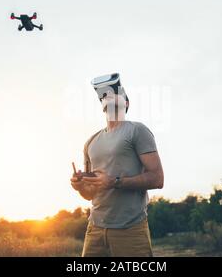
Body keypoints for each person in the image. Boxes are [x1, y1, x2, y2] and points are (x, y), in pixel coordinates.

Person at [70, 76, 164, 257]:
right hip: (95, 228)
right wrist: (79, 186)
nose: (109, 96)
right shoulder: (90, 142)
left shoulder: (137, 130)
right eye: (105, 95)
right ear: (102, 104)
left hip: (130, 229)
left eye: (116, 93)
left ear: (126, 103)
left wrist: (114, 181)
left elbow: (158, 179)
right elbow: (90, 193)